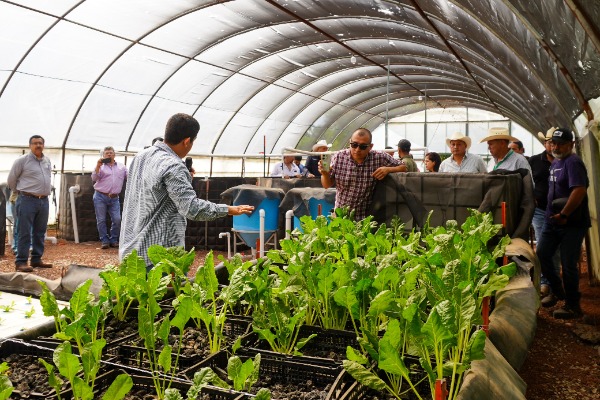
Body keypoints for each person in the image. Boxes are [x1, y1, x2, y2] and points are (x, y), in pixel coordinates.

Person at [119, 113, 254, 266]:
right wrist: (229, 209)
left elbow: (155, 192)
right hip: (158, 258)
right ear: (187, 141)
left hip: (131, 252)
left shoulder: (141, 156)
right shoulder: (173, 165)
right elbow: (191, 208)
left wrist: (184, 179)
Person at [536, 128, 590, 319]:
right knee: (542, 254)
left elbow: (579, 190)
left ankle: (573, 306)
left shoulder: (573, 162)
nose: (556, 147)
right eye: (553, 143)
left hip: (571, 223)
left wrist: (565, 214)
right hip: (552, 220)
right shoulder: (556, 162)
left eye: (561, 144)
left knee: (568, 264)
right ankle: (558, 291)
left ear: (571, 144)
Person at [319, 128, 407, 220]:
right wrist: (325, 174)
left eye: (363, 146)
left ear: (370, 146)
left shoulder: (379, 157)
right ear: (350, 142)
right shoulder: (338, 157)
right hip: (341, 215)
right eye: (354, 145)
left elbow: (404, 167)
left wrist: (388, 169)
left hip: (366, 218)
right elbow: (326, 185)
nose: (357, 149)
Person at [7, 135, 53, 272]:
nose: (38, 145)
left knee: (40, 231)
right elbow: (11, 180)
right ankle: (21, 262)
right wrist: (21, 192)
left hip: (43, 201)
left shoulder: (47, 160)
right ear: (30, 145)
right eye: (35, 143)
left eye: (40, 143)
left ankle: (36, 259)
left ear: (43, 145)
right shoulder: (22, 161)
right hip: (27, 200)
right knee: (24, 231)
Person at [529, 127, 559, 296]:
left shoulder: (565, 161)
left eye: (555, 142)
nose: (552, 145)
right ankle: (545, 282)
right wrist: (531, 196)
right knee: (542, 245)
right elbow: (527, 181)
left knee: (556, 247)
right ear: (545, 143)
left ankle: (554, 282)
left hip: (560, 211)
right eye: (549, 142)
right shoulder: (534, 161)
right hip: (540, 210)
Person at [92, 146, 128, 249]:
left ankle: (113, 240)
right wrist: (98, 166)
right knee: (101, 219)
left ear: (114, 154)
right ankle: (104, 241)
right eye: (107, 153)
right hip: (100, 196)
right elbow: (94, 178)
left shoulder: (122, 167)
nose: (109, 154)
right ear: (103, 155)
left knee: (117, 219)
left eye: (111, 153)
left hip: (114, 197)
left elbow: (129, 177)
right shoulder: (101, 166)